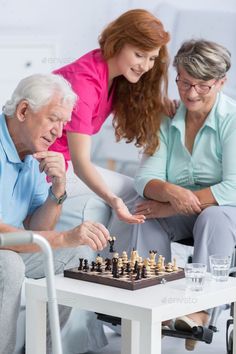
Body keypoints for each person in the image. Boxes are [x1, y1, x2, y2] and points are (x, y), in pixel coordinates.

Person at [134, 39, 236, 350]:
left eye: (203, 86)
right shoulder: (167, 118)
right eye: (184, 82)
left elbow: (232, 187)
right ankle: (155, 300)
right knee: (143, 215)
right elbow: (144, 178)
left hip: (226, 210)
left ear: (221, 82)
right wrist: (168, 192)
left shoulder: (231, 120)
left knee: (213, 215)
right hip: (182, 210)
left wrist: (172, 206)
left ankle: (199, 310)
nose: (191, 93)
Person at [0, 73, 110, 354]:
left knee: (79, 256)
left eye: (64, 123)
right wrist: (62, 238)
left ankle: (41, 349)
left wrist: (57, 189)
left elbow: (36, 225)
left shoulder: (33, 153)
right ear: (24, 111)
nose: (59, 132)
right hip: (4, 250)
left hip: (12, 247)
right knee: (9, 266)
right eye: (53, 119)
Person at [49, 8, 174, 225]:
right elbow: (80, 164)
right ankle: (123, 258)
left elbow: (138, 101)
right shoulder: (84, 83)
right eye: (139, 55)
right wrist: (113, 199)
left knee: (132, 193)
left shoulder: (112, 73)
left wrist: (160, 103)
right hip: (45, 167)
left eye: (152, 58)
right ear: (119, 43)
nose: (145, 66)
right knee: (133, 194)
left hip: (61, 162)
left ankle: (122, 256)